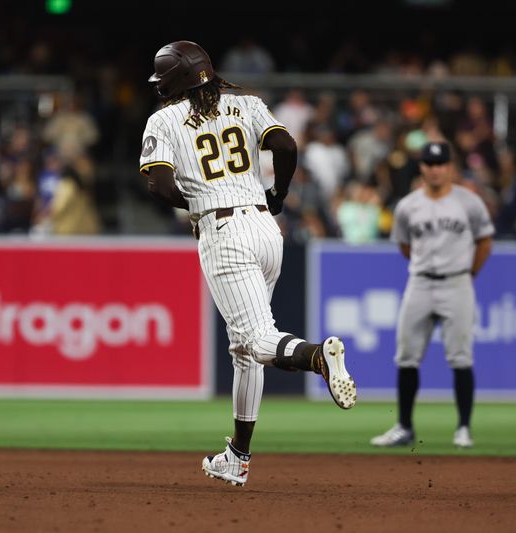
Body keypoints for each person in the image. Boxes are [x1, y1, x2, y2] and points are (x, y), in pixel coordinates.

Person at [139, 41, 356, 486]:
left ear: (174, 81)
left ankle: (318, 356)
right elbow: (286, 145)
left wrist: (197, 202)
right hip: (265, 229)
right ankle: (237, 457)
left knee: (257, 341)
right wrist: (277, 194)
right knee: (244, 352)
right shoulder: (247, 102)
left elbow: (159, 186)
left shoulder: (164, 119)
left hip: (223, 231)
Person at [371, 141, 493, 449]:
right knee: (406, 356)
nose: (435, 169)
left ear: (450, 167)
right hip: (421, 282)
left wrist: (469, 273)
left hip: (457, 283)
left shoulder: (469, 202)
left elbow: (485, 241)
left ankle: (463, 427)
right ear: (422, 167)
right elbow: (403, 245)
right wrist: (423, 265)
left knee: (461, 357)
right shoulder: (408, 205)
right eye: (429, 163)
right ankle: (404, 426)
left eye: (440, 163)